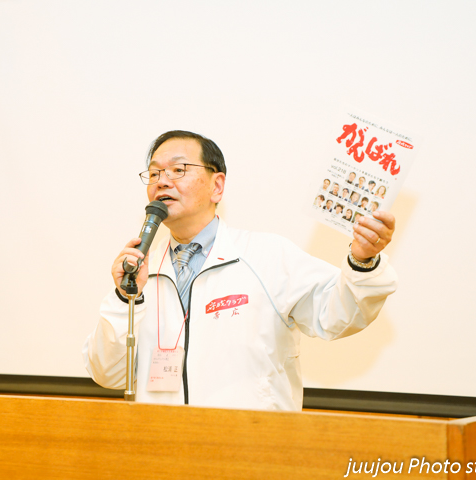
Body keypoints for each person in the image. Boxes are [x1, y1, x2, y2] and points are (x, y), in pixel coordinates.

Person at [83, 130, 398, 411]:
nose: (162, 181)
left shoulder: (268, 256)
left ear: (217, 186)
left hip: (252, 445)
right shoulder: (139, 273)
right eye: (154, 173)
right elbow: (107, 373)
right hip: (165, 447)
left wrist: (363, 261)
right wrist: (125, 297)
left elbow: (339, 315)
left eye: (178, 170)